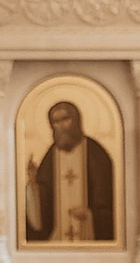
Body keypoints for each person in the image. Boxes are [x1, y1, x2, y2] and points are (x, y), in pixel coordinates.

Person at [23, 97, 115, 244]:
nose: (62, 126)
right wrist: (33, 184)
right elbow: (43, 201)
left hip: (90, 235)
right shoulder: (51, 156)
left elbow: (108, 197)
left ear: (76, 120)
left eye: (66, 119)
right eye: (56, 122)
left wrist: (90, 215)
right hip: (58, 235)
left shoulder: (95, 152)